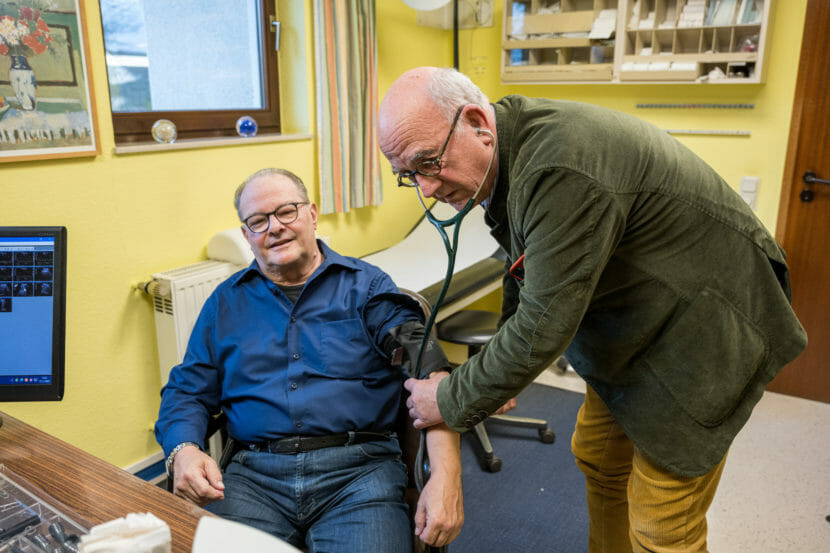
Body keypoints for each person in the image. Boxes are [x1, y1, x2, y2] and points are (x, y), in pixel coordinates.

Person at [378, 67, 807, 553]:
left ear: (477, 122)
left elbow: (543, 324)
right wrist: (489, 375)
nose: (426, 189)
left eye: (429, 163)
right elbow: (523, 268)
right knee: (600, 460)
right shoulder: (510, 146)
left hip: (705, 328)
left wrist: (453, 397)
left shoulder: (559, 165)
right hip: (636, 324)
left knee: (662, 523)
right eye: (407, 176)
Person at [155, 168, 464, 552]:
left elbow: (423, 364)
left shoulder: (367, 287)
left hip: (359, 472)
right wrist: (182, 450)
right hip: (254, 478)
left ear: (312, 214)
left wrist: (447, 475)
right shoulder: (225, 303)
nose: (275, 227)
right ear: (247, 234)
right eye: (258, 220)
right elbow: (187, 390)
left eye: (287, 211)